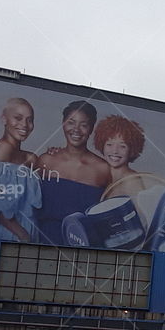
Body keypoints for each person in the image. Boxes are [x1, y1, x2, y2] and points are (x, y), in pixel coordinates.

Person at [35, 101, 111, 245]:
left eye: (83, 125)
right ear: (63, 124)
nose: (76, 129)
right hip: (43, 244)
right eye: (71, 122)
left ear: (91, 129)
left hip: (84, 248)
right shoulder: (46, 160)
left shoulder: (102, 169)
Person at [0, 98, 42, 242]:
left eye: (30, 120)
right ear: (4, 119)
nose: (24, 124)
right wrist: (22, 235)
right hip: (6, 233)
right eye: (18, 118)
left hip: (27, 231)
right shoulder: (1, 149)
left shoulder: (30, 157)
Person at [94, 115, 157, 199]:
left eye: (122, 146)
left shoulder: (133, 181)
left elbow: (142, 211)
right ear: (102, 145)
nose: (115, 151)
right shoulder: (98, 174)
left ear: (131, 149)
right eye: (109, 144)